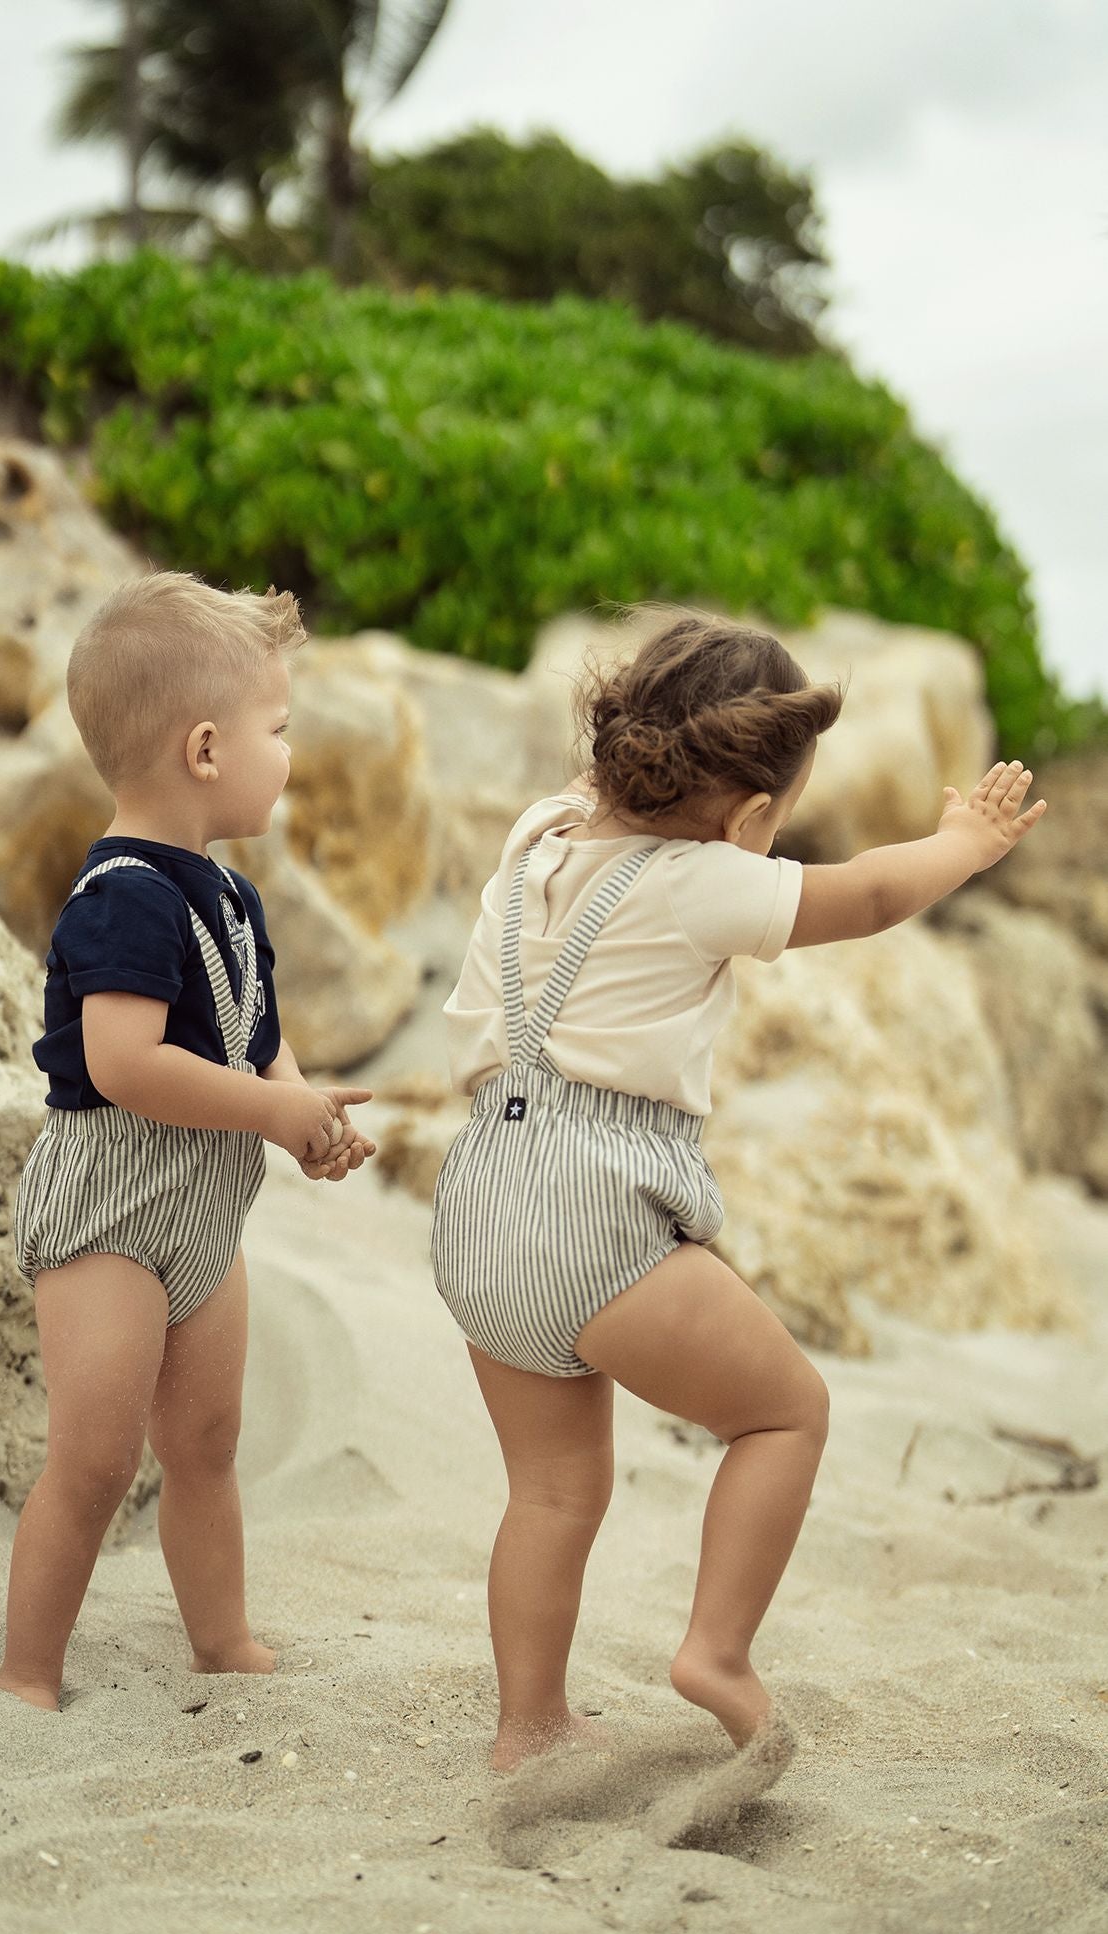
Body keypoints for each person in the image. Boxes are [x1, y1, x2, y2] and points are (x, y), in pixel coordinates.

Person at [431, 611, 1046, 1771]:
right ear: (752, 816)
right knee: (784, 1412)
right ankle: (716, 1651)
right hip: (591, 1208)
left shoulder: (541, 831)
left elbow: (619, 778)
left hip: (476, 1200)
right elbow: (870, 894)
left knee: (550, 1492)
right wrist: (963, 844)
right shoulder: (704, 882)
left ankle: (529, 1724)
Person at [1, 572, 374, 1711]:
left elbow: (255, 1036)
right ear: (205, 749)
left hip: (206, 1210)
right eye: (279, 728)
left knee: (206, 1440)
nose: (289, 753)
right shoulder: (120, 896)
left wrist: (300, 1106)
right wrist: (265, 1111)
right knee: (96, 1458)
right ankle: (27, 1670)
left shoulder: (228, 895)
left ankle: (222, 1639)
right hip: (110, 1208)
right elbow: (124, 1064)